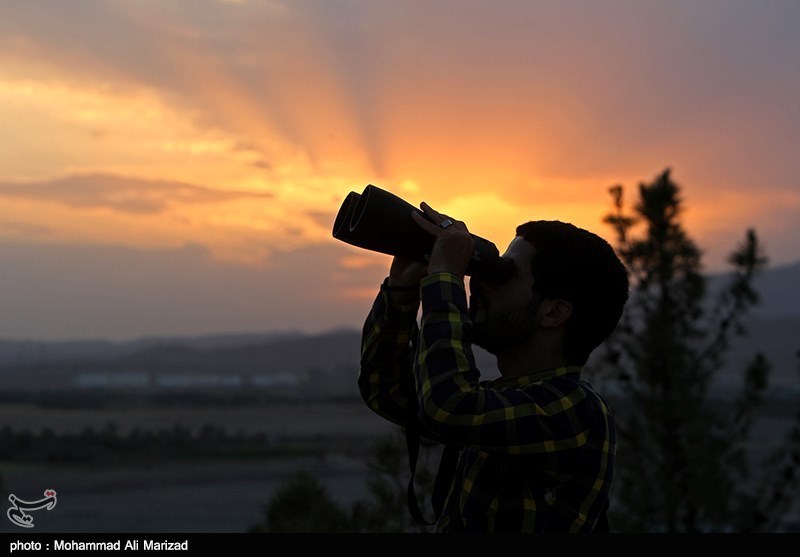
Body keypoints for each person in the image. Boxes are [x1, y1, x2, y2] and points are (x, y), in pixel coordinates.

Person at [358, 201, 630, 533]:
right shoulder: (506, 400)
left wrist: (445, 279)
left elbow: (449, 405)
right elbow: (385, 390)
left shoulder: (576, 413)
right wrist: (401, 290)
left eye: (505, 274)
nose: (481, 283)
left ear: (553, 313)